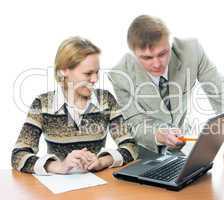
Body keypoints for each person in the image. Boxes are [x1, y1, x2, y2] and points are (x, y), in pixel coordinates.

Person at [108, 15, 224, 165]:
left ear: (170, 43)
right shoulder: (120, 75)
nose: (157, 64)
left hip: (186, 145)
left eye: (162, 54)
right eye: (147, 58)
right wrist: (159, 135)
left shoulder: (191, 51)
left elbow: (221, 96)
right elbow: (135, 124)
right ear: (133, 53)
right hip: (147, 153)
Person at [11, 36, 138, 175]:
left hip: (96, 185)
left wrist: (102, 161)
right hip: (58, 188)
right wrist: (59, 166)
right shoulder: (42, 104)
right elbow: (18, 156)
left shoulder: (105, 100)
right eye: (88, 73)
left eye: (97, 72)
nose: (95, 79)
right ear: (64, 70)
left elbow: (131, 147)